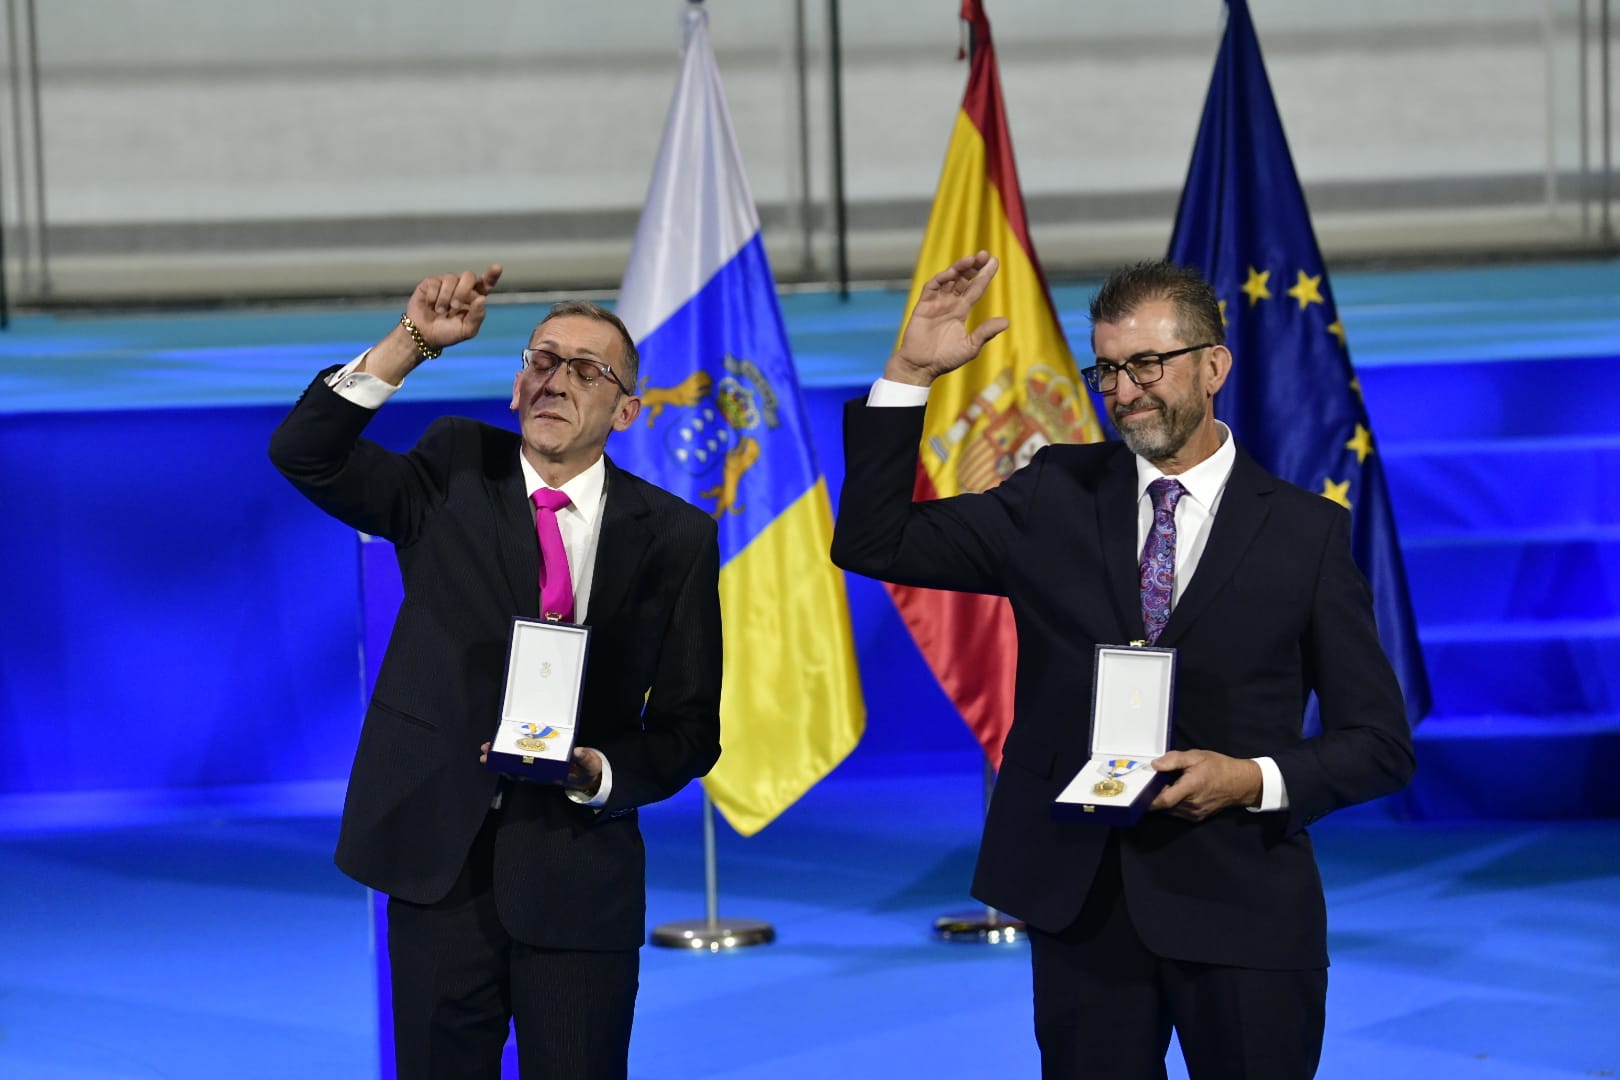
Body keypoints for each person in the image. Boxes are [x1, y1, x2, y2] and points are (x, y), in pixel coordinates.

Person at [830, 251, 1415, 1080]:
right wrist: (908, 376)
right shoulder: (1052, 494)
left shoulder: (1304, 534)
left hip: (1240, 908)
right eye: (1107, 368)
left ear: (1214, 366)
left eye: (1147, 363)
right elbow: (871, 541)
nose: (1123, 389)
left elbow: (1380, 742)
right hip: (1083, 906)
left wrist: (1250, 778)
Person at [269, 265, 722, 1079]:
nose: (558, 379)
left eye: (588, 370)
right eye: (543, 360)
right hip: (439, 862)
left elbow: (692, 728)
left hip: (579, 874)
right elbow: (304, 453)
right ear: (517, 387)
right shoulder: (450, 468)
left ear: (626, 412)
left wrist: (600, 771)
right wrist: (408, 345)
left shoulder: (677, 537)